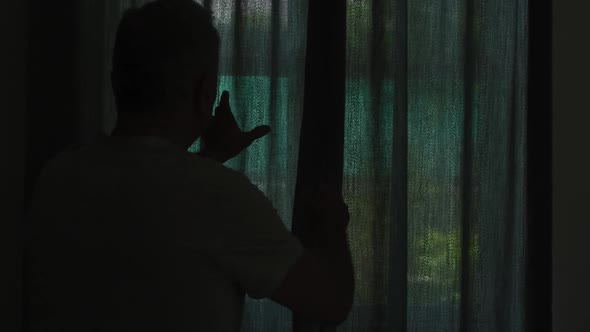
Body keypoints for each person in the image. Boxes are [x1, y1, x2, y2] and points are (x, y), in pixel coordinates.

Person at [23, 0, 354, 331]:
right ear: (204, 92)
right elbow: (331, 303)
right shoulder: (223, 199)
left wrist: (210, 157)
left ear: (115, 82)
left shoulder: (57, 178)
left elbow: (150, 208)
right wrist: (333, 225)